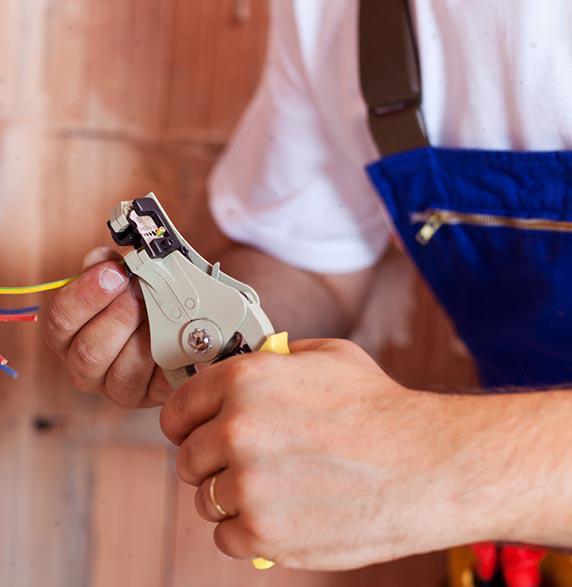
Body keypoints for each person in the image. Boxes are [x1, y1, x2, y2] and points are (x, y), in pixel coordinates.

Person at [42, 1, 572, 585]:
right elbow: (312, 263)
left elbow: (429, 463)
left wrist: (434, 459)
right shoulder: (340, 13)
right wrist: (193, 324)